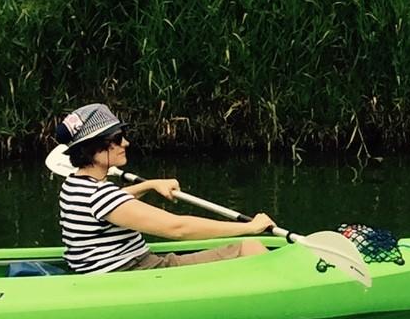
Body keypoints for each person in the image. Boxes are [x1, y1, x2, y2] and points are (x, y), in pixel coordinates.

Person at [54, 103, 274, 274]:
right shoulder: (101, 195)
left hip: (118, 270)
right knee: (248, 247)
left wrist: (149, 185)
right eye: (118, 138)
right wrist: (250, 227)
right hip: (137, 273)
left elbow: (111, 204)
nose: (126, 143)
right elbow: (177, 228)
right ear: (95, 148)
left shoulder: (74, 184)